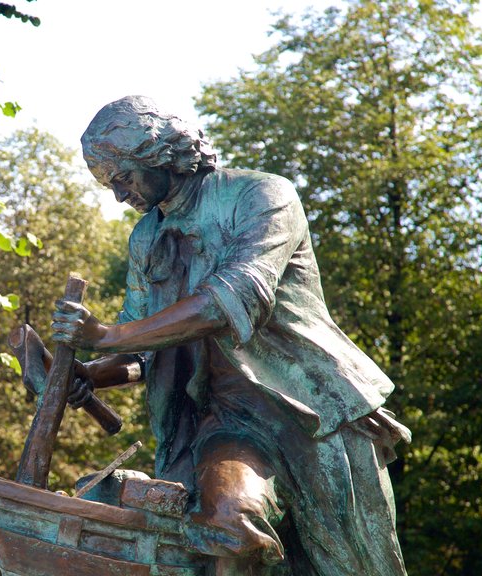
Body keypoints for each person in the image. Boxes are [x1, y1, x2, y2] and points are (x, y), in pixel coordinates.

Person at [52, 95, 411, 575]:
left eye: (123, 176)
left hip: (310, 411)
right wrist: (92, 374)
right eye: (110, 184)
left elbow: (233, 299)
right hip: (226, 420)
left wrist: (104, 336)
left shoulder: (262, 196)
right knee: (225, 520)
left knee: (354, 564)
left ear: (159, 152)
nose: (120, 195)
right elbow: (145, 347)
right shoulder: (145, 238)